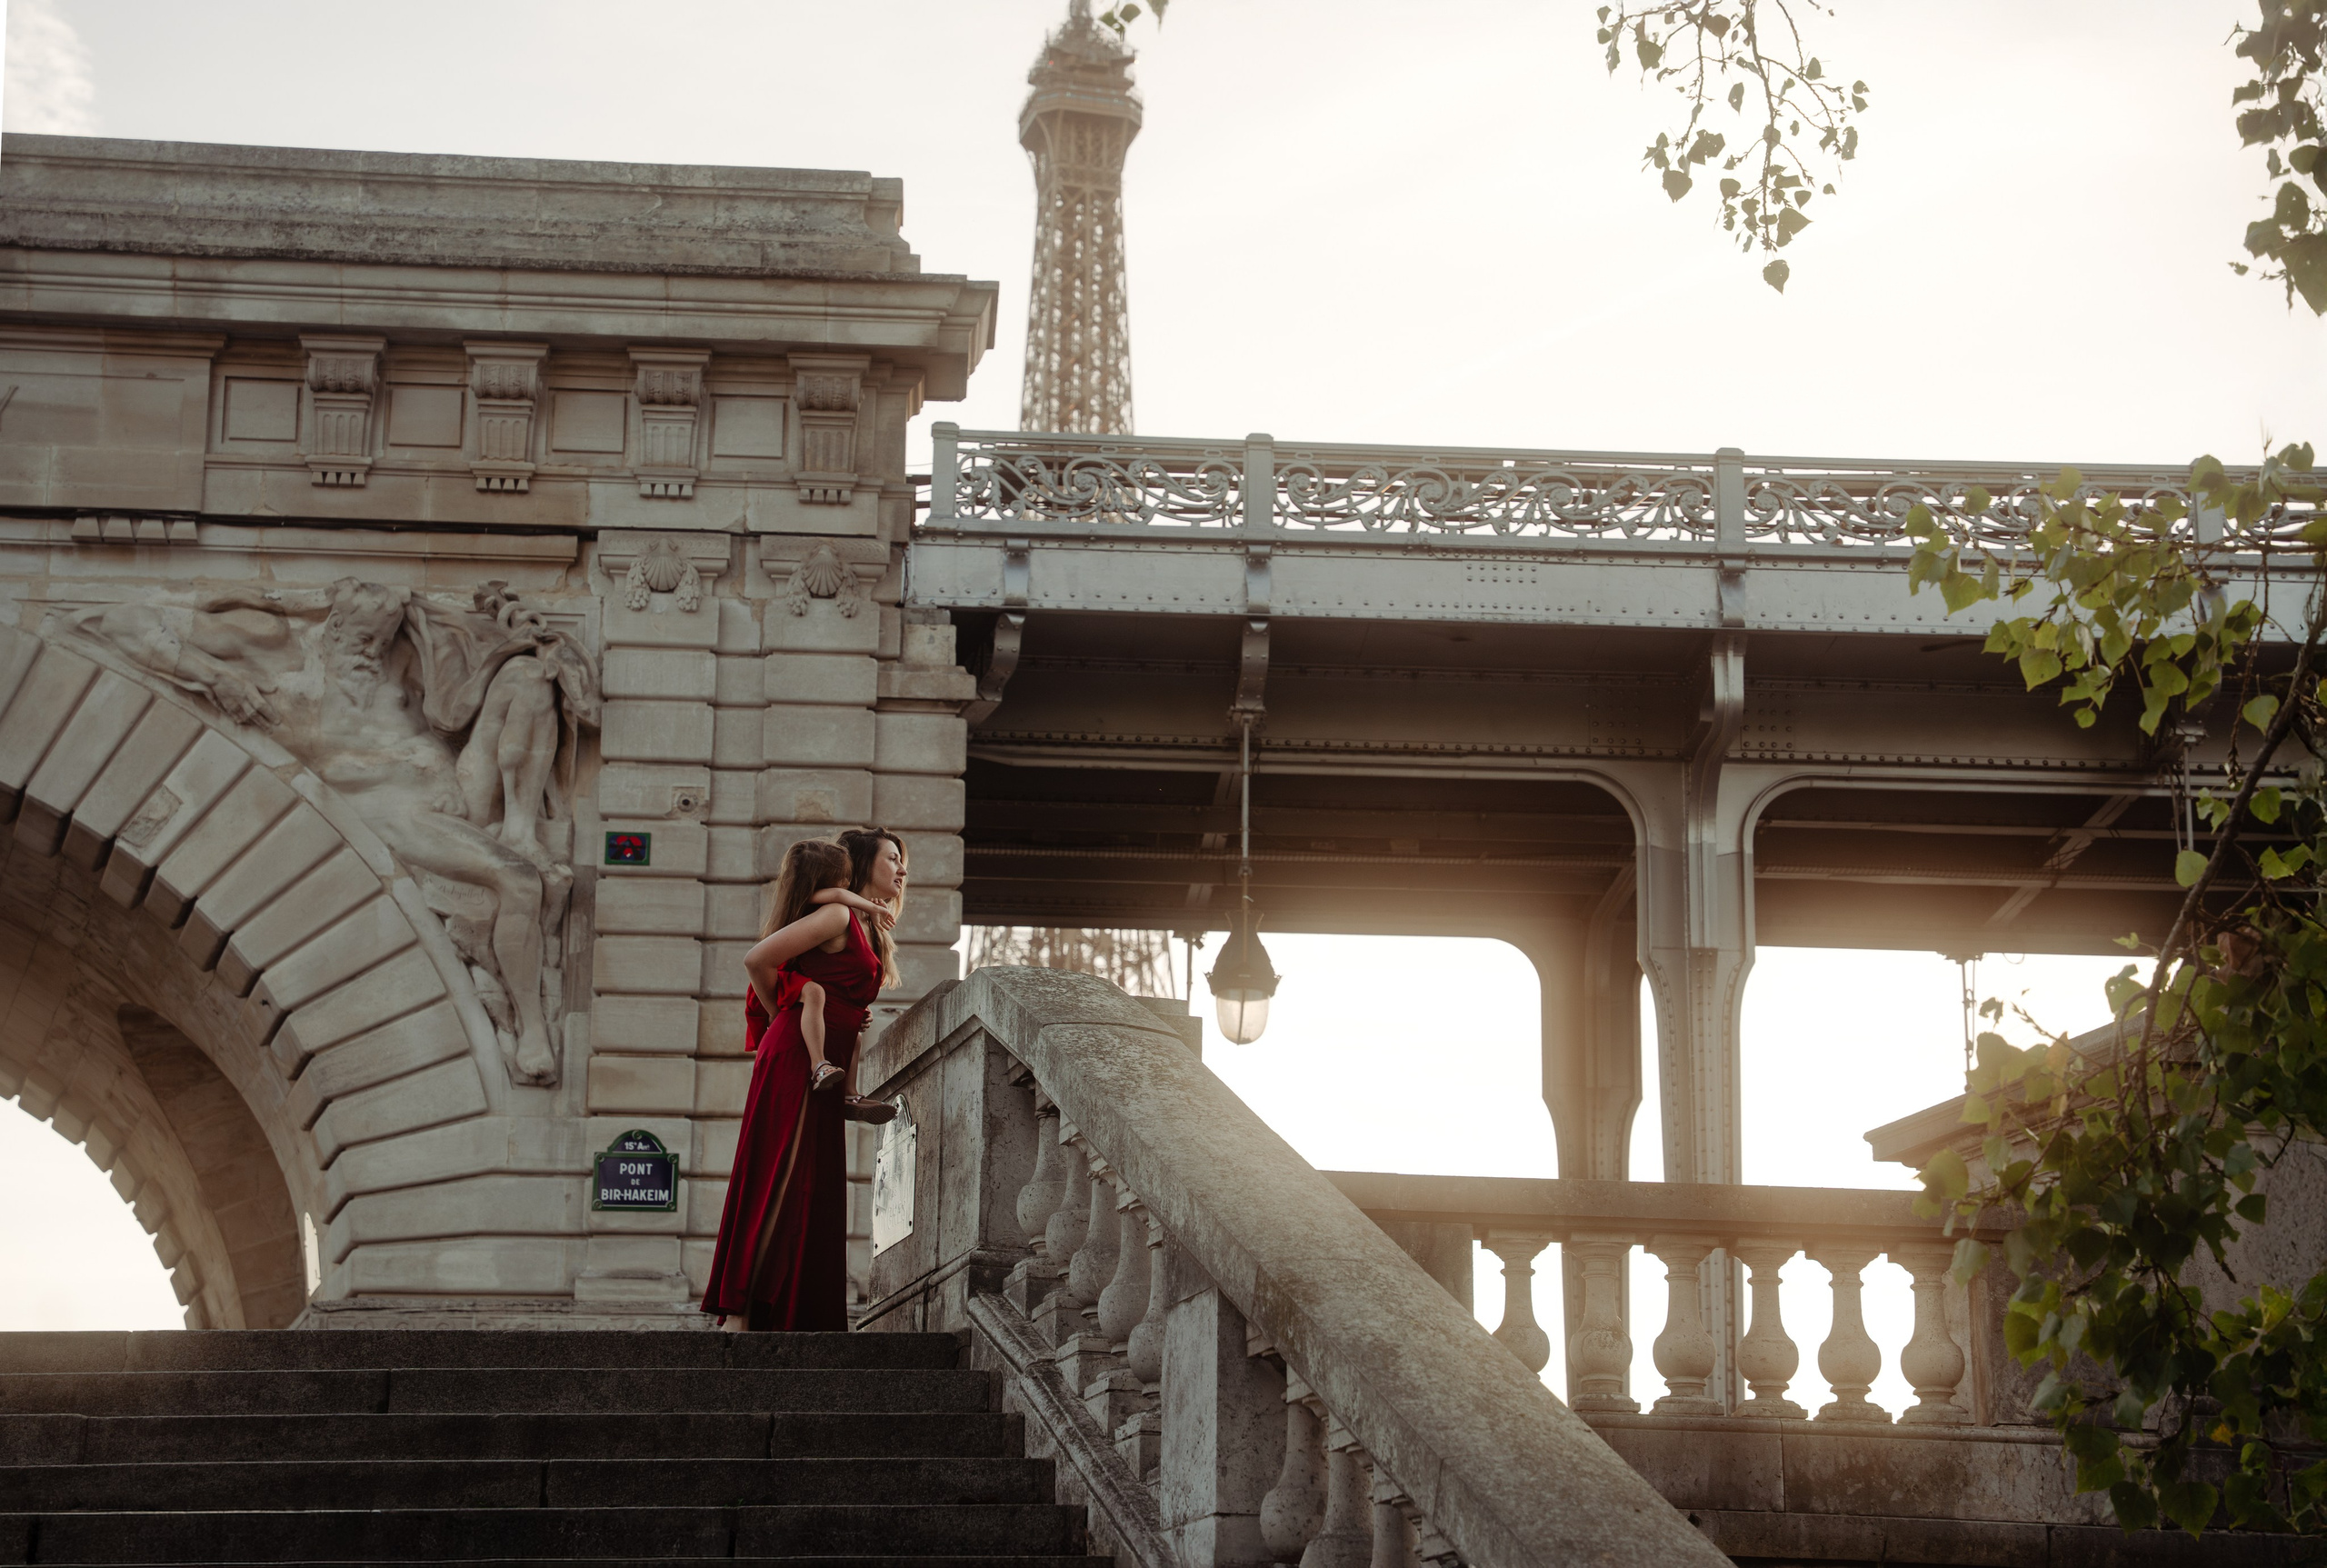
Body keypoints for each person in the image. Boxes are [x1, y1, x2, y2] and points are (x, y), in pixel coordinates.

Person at [697, 828, 907, 1330]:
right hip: (799, 1055)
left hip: (823, 1064)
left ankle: (775, 1313)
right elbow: (757, 960)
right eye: (893, 859)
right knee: (783, 1175)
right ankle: (740, 1315)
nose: (901, 870)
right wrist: (781, 1017)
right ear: (861, 866)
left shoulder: (858, 920)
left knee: (808, 1185)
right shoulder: (837, 914)